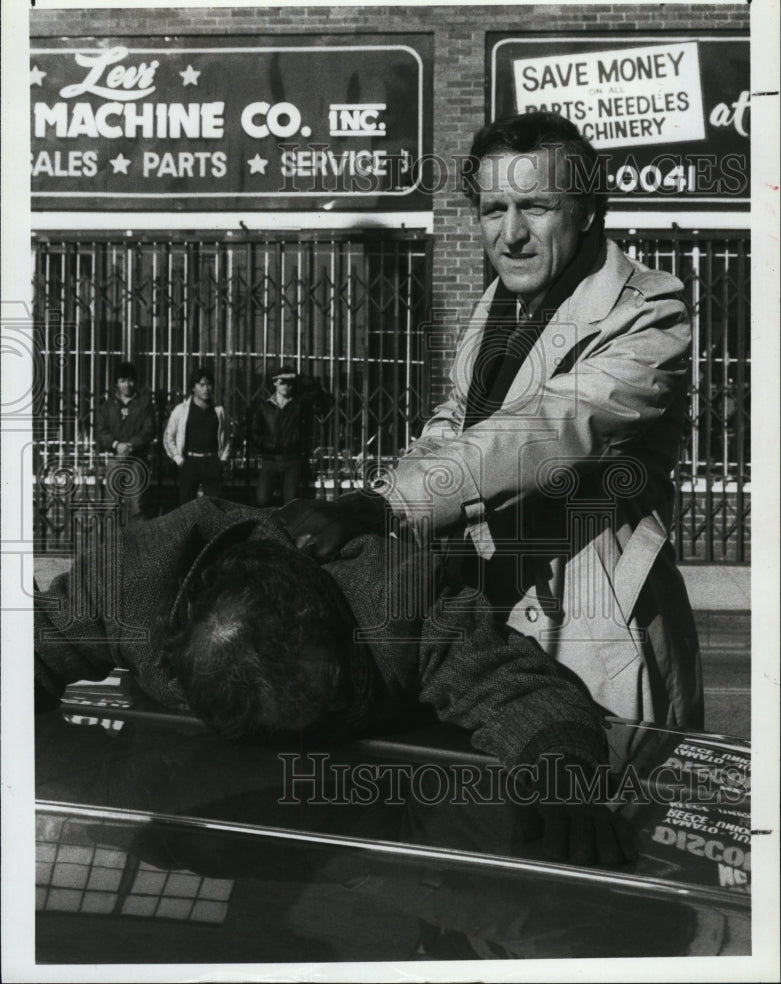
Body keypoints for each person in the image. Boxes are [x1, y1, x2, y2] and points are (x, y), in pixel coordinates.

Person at [279, 111, 703, 730]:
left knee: (592, 815)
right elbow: (458, 416)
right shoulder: (501, 304)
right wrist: (383, 509)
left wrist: (388, 505)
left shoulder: (648, 310)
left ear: (585, 210)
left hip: (590, 637)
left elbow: (548, 430)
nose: (511, 234)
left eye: (535, 206)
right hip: (480, 636)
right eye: (491, 209)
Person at [34, 496, 635, 867]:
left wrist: (562, 773)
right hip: (186, 804)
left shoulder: (396, 596)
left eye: (326, 701)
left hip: (375, 813)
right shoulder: (130, 583)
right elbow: (32, 647)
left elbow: (518, 685)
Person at [95, 360, 155, 522]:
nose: (126, 385)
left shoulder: (145, 404)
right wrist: (116, 445)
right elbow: (100, 431)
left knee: (138, 505)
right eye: (122, 381)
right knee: (111, 506)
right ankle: (110, 544)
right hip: (115, 459)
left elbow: (149, 430)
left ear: (135, 382)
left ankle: (137, 545)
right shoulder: (108, 406)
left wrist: (130, 445)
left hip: (137, 459)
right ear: (116, 383)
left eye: (130, 380)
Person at [163, 367, 230, 505]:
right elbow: (168, 437)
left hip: (212, 463)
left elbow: (228, 436)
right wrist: (178, 459)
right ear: (193, 387)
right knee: (187, 507)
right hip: (190, 463)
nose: (206, 388)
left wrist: (222, 460)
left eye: (209, 384)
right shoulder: (181, 411)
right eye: (202, 384)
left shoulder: (219, 411)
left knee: (215, 507)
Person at [252, 365, 312, 507]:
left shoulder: (298, 406)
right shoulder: (265, 406)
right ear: (275, 383)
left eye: (289, 383)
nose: (286, 386)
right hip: (270, 460)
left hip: (292, 460)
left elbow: (307, 430)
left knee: (291, 502)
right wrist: (265, 445)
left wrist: (298, 445)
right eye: (282, 382)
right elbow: (255, 431)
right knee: (262, 499)